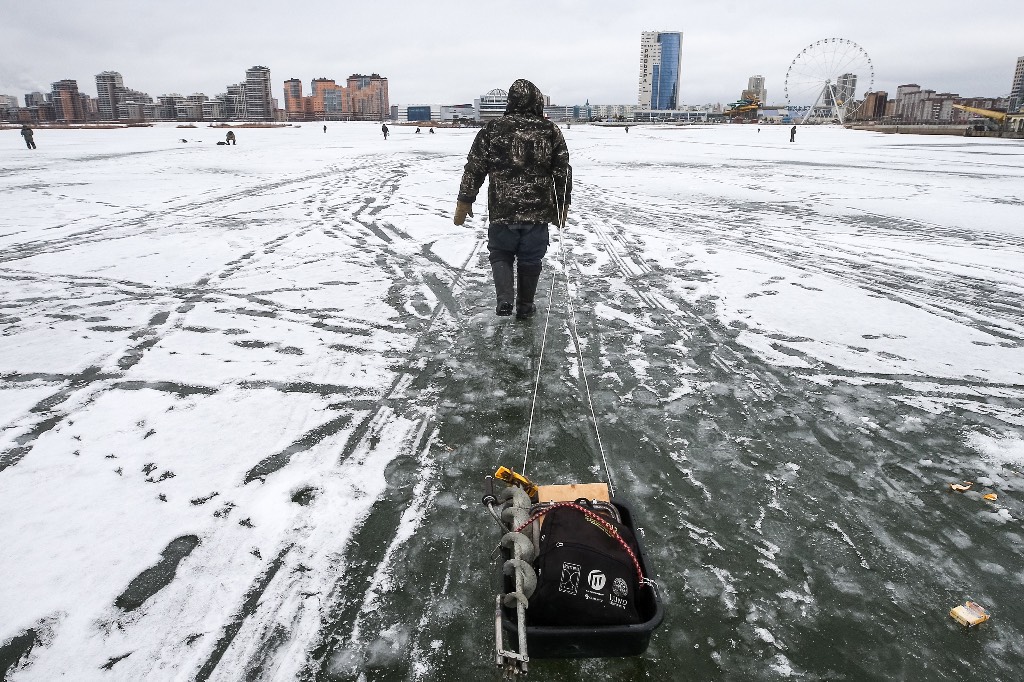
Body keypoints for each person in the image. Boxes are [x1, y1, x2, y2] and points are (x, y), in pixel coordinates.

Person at [454, 78, 571, 319]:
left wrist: (465, 199)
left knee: (501, 253)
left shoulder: (492, 129)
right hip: (537, 212)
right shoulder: (550, 131)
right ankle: (525, 307)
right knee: (531, 257)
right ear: (537, 100)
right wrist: (562, 204)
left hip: (502, 209)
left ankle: (504, 300)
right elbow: (562, 171)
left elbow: (474, 167)